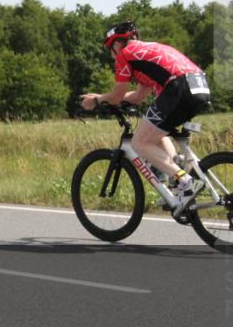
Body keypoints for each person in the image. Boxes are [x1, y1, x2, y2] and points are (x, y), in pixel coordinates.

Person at [80, 21, 211, 204]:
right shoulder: (149, 51)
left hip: (178, 88)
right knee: (156, 131)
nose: (111, 56)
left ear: (116, 44)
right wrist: (110, 99)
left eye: (110, 50)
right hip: (199, 86)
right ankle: (177, 179)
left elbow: (117, 94)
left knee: (139, 142)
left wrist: (96, 100)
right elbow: (138, 96)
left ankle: (186, 181)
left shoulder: (124, 55)